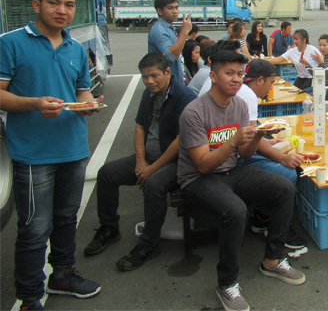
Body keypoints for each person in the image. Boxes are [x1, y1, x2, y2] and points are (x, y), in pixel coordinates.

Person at [0, 0, 103, 310]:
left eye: (69, 5)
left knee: (66, 218)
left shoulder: (75, 48)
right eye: (54, 3)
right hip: (33, 154)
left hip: (73, 149)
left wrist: (88, 104)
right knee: (33, 228)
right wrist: (33, 104)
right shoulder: (11, 43)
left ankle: (62, 274)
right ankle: (30, 296)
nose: (62, 10)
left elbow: (81, 90)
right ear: (37, 5)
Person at [178, 49, 306, 311]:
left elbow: (244, 153)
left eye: (239, 74)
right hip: (198, 179)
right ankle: (226, 284)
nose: (236, 79)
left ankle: (272, 260)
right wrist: (234, 140)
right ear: (213, 76)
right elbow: (202, 165)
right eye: (229, 73)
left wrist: (259, 134)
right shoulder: (194, 113)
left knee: (283, 187)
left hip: (230, 170)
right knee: (235, 211)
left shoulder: (238, 105)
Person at [84, 53, 196, 271]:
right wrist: (140, 162)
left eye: (154, 76)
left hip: (179, 162)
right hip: (150, 159)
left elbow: (180, 140)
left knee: (153, 185)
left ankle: (149, 243)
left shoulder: (184, 97)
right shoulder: (149, 94)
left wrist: (152, 169)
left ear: (167, 72)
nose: (149, 81)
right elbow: (139, 127)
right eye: (145, 77)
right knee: (107, 173)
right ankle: (109, 228)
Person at [234, 59, 307, 249]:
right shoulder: (248, 96)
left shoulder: (242, 90)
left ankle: (261, 216)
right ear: (259, 80)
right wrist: (282, 157)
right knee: (288, 172)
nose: (271, 87)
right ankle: (276, 226)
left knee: (276, 152)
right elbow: (250, 142)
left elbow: (251, 133)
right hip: (234, 159)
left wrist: (266, 141)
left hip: (235, 151)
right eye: (271, 82)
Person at [148, 0, 192, 82]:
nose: (175, 11)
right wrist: (184, 32)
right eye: (170, 8)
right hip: (167, 84)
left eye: (176, 7)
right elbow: (170, 56)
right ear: (159, 11)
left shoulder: (169, 27)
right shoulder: (159, 29)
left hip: (175, 80)